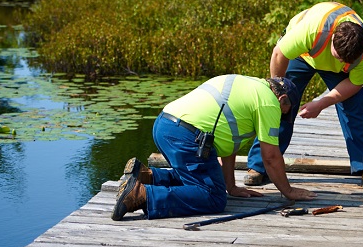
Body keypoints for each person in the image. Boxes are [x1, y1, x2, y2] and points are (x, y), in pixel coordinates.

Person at [112, 75, 317, 221]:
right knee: (213, 197)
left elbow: (229, 147)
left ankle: (147, 176)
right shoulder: (269, 103)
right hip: (187, 134)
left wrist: (231, 186)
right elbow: (271, 157)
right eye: (284, 113)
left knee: (205, 180)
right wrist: (288, 191)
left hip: (164, 124)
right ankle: (140, 195)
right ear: (282, 99)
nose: (281, 118)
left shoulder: (250, 85)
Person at [244, 1, 363, 194]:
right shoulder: (313, 30)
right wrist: (280, 92)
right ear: (333, 38)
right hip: (303, 55)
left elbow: (354, 83)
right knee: (278, 108)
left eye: (347, 60)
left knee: (355, 110)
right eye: (338, 56)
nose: (341, 61)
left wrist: (322, 102)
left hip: (337, 66)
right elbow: (279, 54)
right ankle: (259, 166)